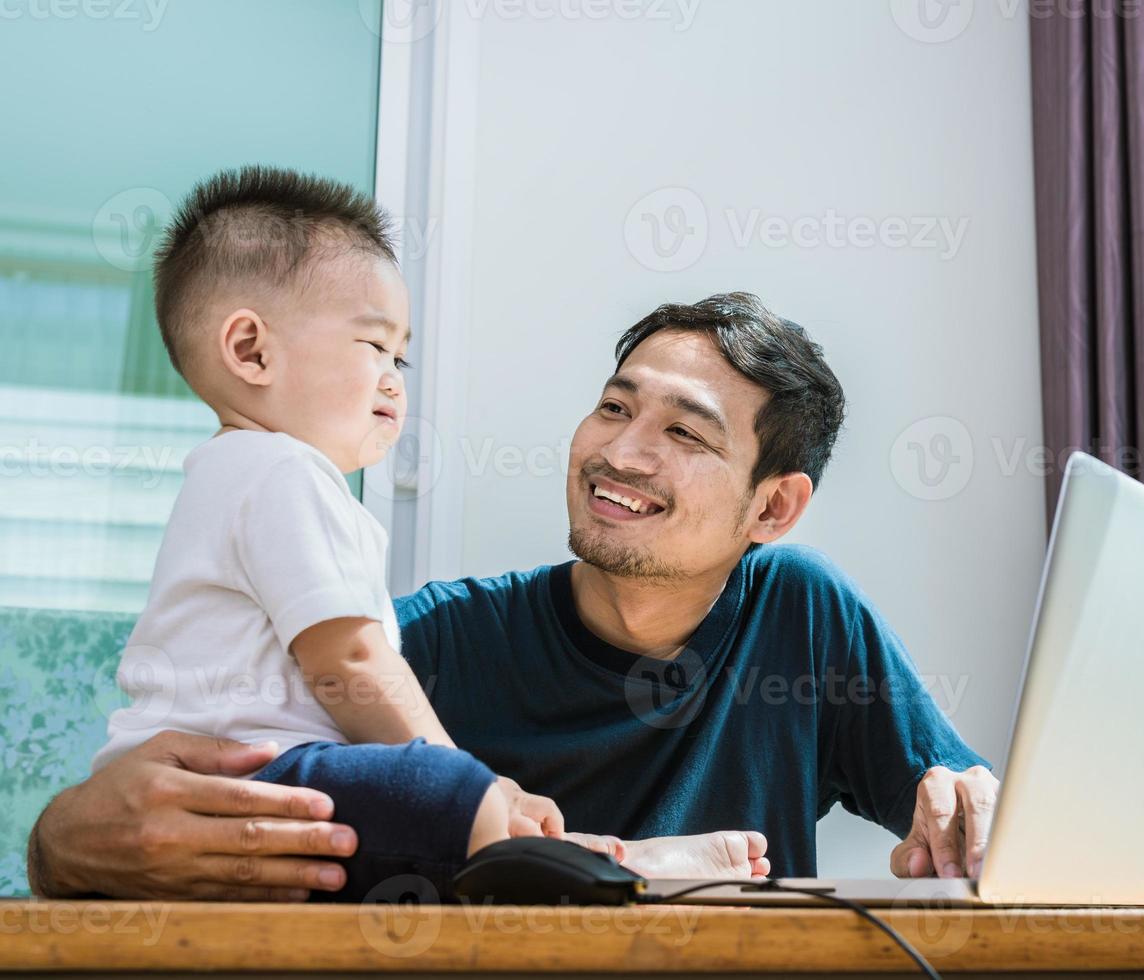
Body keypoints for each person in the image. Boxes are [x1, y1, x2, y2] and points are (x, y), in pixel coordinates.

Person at [28, 292, 999, 901]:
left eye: (685, 434)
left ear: (774, 504)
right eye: (615, 406)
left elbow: (963, 804)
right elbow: (221, 763)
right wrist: (62, 839)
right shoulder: (440, 637)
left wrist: (975, 808)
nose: (621, 451)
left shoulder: (803, 615)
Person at [81, 166, 756, 902]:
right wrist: (469, 780)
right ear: (250, 350)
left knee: (425, 833)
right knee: (426, 788)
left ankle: (586, 859)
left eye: (400, 357)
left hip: (235, 791)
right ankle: (615, 866)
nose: (396, 380)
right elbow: (347, 658)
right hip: (250, 781)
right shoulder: (280, 474)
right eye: (375, 347)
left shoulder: (235, 475)